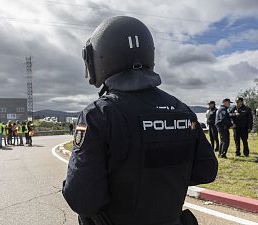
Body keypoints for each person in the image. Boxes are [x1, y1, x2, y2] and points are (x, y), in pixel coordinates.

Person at [62, 16, 218, 225]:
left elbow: (82, 199)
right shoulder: (182, 110)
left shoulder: (99, 115)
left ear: (99, 58)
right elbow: (206, 170)